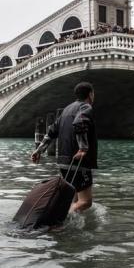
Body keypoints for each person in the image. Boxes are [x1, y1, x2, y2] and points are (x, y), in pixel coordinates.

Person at [31, 82, 97, 213]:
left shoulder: (67, 109)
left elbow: (51, 132)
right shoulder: (85, 107)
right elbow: (80, 122)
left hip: (63, 162)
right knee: (85, 202)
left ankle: (66, 226)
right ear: (90, 94)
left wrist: (38, 151)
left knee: (73, 198)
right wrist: (83, 148)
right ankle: (60, 218)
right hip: (78, 161)